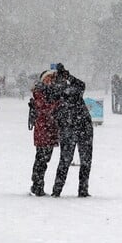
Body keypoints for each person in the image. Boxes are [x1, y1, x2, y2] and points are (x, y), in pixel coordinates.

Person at [51, 63, 94, 197]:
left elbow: (81, 85)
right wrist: (67, 78)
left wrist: (68, 77)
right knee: (70, 160)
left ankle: (64, 189)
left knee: (73, 160)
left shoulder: (68, 90)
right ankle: (67, 189)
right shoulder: (60, 91)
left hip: (75, 128)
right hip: (75, 127)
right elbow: (81, 86)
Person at [29, 70, 60, 196]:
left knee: (44, 159)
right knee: (41, 159)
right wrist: (58, 105)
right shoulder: (40, 92)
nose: (51, 80)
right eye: (48, 78)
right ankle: (37, 185)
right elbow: (44, 110)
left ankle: (37, 184)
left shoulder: (51, 92)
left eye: (53, 78)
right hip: (43, 130)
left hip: (49, 131)